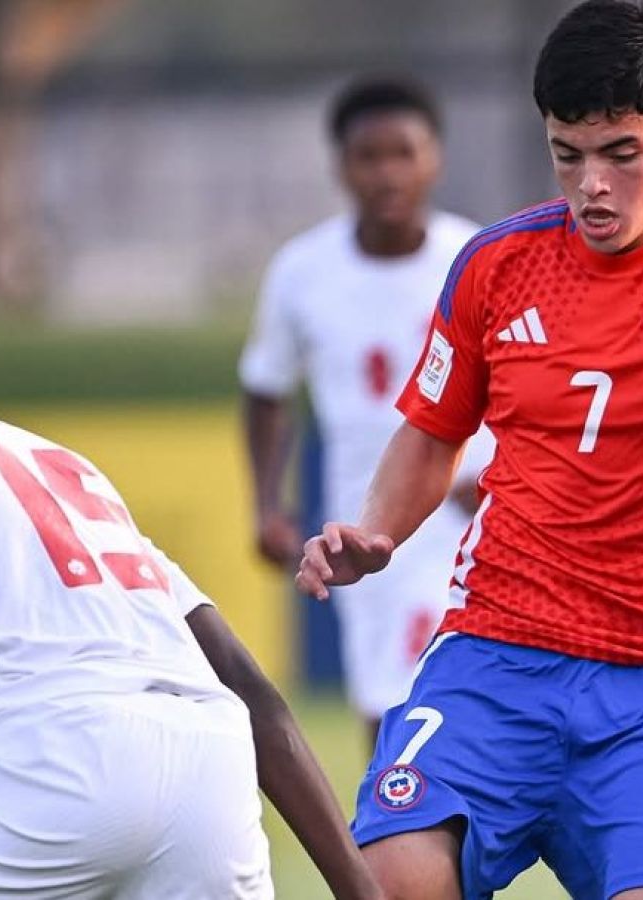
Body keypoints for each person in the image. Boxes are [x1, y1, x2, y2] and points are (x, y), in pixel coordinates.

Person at [294, 2, 643, 897]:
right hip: (494, 657)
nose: (593, 186)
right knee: (386, 882)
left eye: (622, 153)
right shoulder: (497, 264)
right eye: (567, 154)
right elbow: (432, 430)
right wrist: (376, 530)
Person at [0, 275, 379, 900]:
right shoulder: (70, 476)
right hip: (210, 768)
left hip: (62, 755)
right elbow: (253, 694)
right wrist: (362, 892)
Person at [240, 77, 492, 746]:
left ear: (433, 158)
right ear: (341, 166)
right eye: (368, 156)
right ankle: (394, 828)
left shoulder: (476, 258)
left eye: (402, 153)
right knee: (386, 703)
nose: (386, 173)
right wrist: (268, 503)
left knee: (479, 694)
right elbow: (266, 388)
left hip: (478, 511)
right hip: (373, 525)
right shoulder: (302, 270)